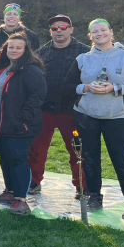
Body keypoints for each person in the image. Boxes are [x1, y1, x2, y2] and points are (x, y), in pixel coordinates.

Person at [63, 19, 124, 221]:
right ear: (90, 36)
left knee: (121, 160)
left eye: (103, 30)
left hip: (117, 116)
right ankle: (94, 197)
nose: (99, 34)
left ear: (111, 32)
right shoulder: (82, 59)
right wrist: (86, 87)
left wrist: (116, 89)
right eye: (95, 31)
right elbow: (67, 85)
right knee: (90, 158)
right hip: (86, 115)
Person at [0, 34, 47, 215]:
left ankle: (21, 200)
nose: (14, 50)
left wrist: (23, 118)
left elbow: (38, 95)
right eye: (11, 47)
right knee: (5, 158)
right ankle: (10, 191)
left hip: (19, 125)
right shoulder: (3, 69)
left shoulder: (31, 70)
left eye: (19, 47)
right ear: (5, 49)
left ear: (26, 50)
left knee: (18, 160)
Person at [28, 15, 90, 196]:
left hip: (73, 111)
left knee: (77, 150)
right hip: (44, 110)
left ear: (71, 30)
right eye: (55, 28)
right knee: (36, 150)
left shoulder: (85, 52)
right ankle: (33, 182)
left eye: (63, 27)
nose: (59, 31)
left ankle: (82, 186)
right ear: (50, 32)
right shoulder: (40, 53)